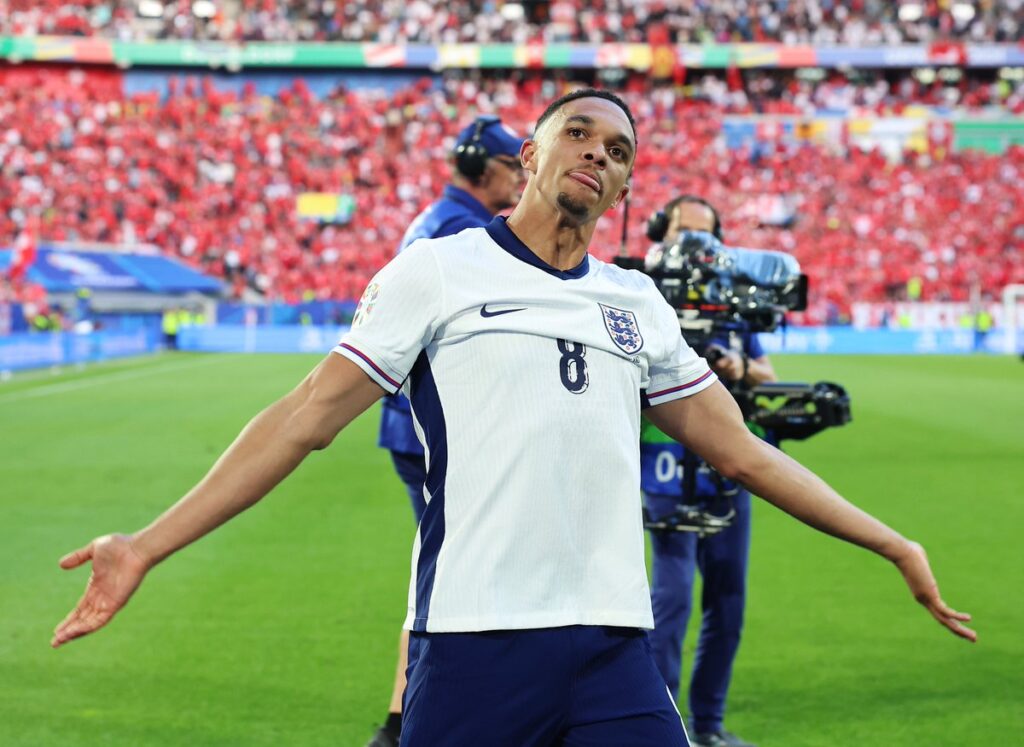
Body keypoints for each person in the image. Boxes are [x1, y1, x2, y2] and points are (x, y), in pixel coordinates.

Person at [52, 90, 975, 747]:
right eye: (578, 133)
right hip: (476, 642)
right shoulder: (440, 271)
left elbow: (744, 454)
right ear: (529, 156)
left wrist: (893, 542)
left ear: (623, 193)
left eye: (619, 152)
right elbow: (302, 418)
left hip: (616, 647)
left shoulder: (636, 301)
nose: (598, 155)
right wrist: (146, 543)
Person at [368, 114, 526, 747]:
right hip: (439, 431)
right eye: (513, 166)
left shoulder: (438, 217)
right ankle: (418, 719)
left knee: (441, 567)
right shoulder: (465, 229)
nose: (521, 178)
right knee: (460, 576)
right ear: (485, 170)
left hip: (412, 427)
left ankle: (402, 717)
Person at [641, 196, 777, 747]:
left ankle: (710, 725)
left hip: (726, 468)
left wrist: (738, 366)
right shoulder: (643, 294)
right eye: (683, 232)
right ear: (660, 234)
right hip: (664, 464)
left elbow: (765, 369)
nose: (695, 246)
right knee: (670, 600)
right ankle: (661, 724)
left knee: (728, 599)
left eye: (705, 235)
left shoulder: (733, 302)